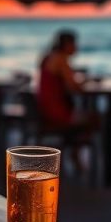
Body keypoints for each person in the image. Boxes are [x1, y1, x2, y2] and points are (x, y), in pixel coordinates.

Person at [35, 30, 98, 170]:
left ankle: (71, 147)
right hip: (56, 111)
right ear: (67, 44)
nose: (76, 47)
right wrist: (86, 82)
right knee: (94, 119)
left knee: (84, 117)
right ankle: (75, 152)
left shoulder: (49, 57)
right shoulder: (60, 59)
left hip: (44, 108)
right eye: (75, 43)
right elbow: (73, 87)